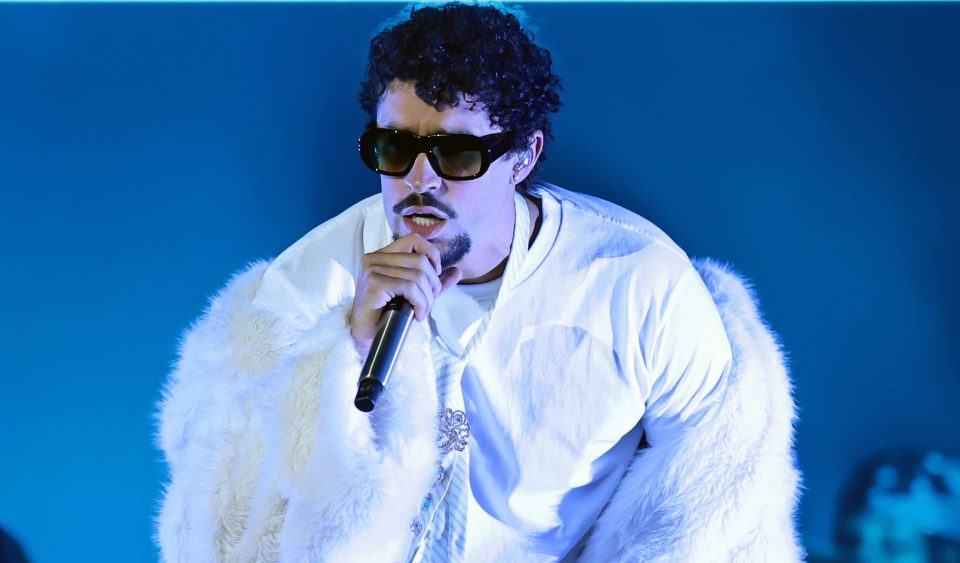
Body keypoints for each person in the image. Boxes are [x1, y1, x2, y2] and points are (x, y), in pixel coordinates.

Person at [154, 3, 803, 561]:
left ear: (523, 156)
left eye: (457, 153)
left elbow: (722, 520)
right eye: (394, 149)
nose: (419, 181)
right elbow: (239, 530)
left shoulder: (638, 286)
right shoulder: (309, 285)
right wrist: (347, 349)